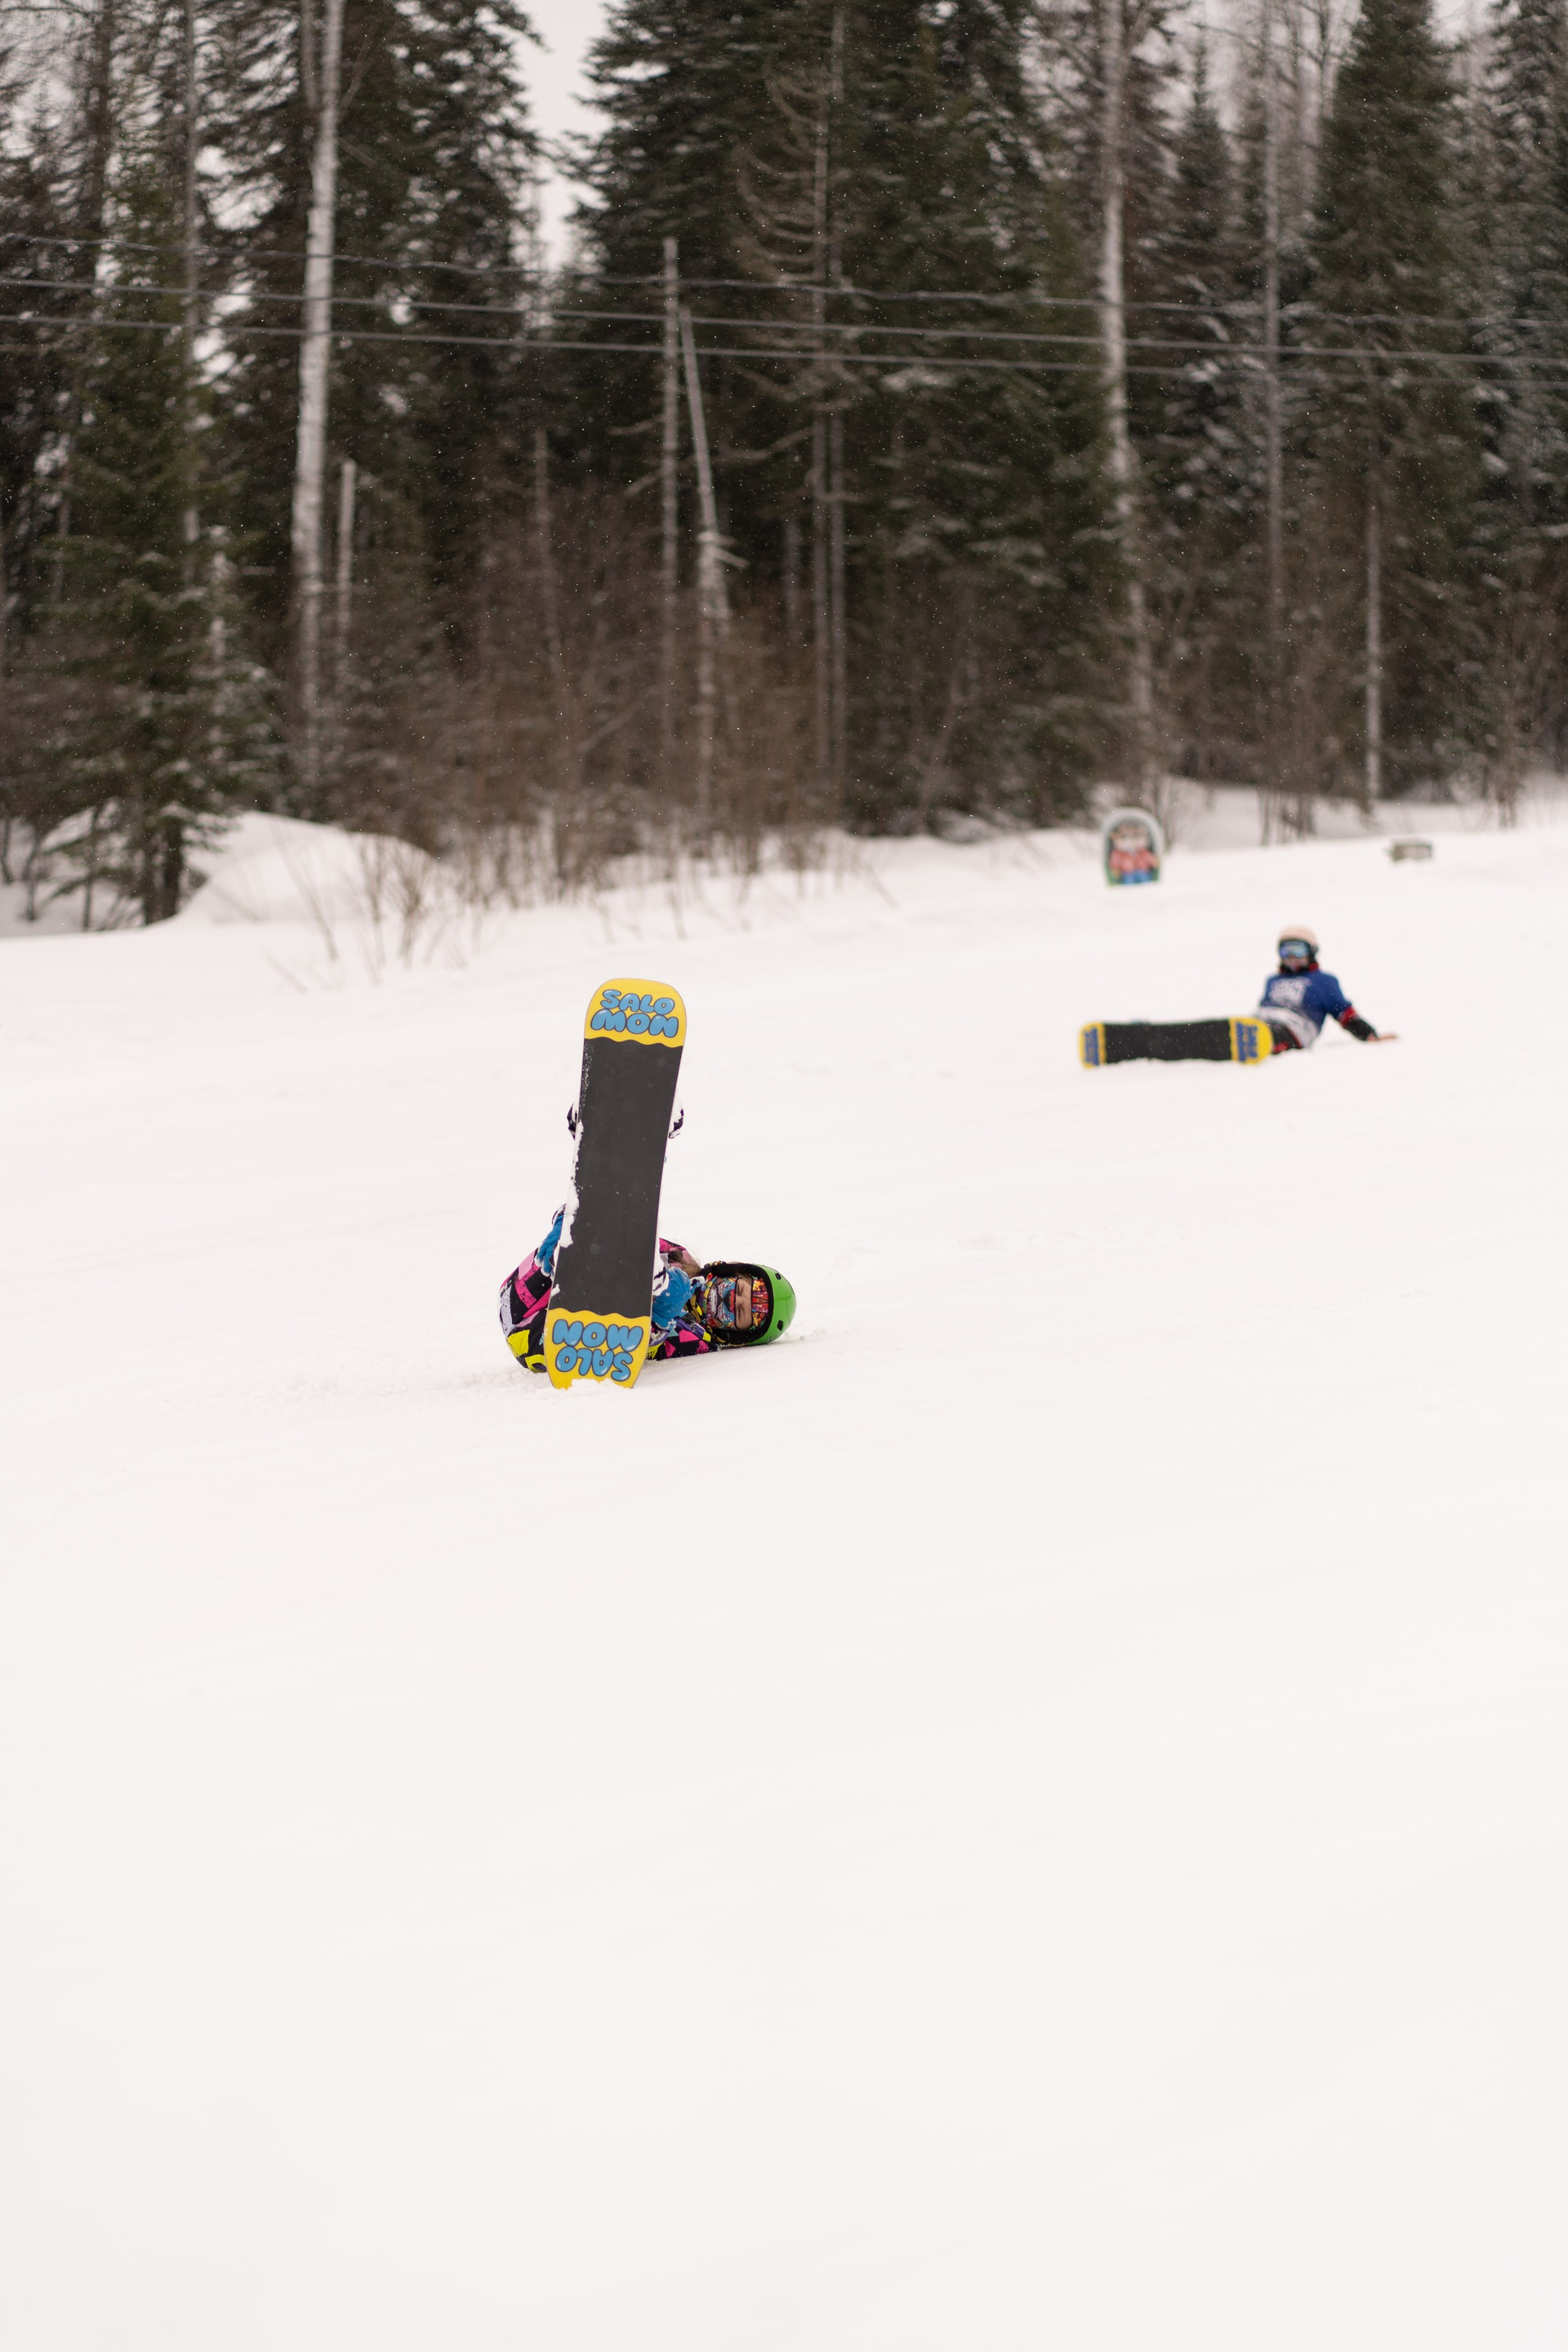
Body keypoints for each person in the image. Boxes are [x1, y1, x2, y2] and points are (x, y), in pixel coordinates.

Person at [500, 1208, 796, 1374]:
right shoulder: (679, 1257)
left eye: (739, 1312)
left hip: (544, 1343)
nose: (732, 1299)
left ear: (734, 1334)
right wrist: (572, 1220)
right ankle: (563, 1245)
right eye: (739, 1289)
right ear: (728, 1272)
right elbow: (624, 1231)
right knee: (606, 1245)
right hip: (519, 1297)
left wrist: (661, 1319)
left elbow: (638, 1351)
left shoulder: (699, 1342)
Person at [1259, 928, 1393, 1052]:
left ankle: (1262, 1043)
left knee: (1274, 1032)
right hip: (1263, 1019)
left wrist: (1368, 1034)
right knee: (1257, 1025)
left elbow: (1344, 1013)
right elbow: (1263, 1006)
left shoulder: (1323, 981)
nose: (1292, 956)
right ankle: (1250, 1039)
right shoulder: (1272, 980)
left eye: (1298, 950)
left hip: (1296, 1027)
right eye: (1286, 950)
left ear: (1311, 952)